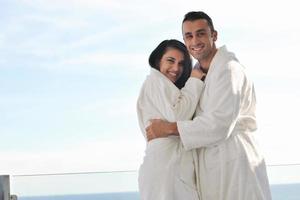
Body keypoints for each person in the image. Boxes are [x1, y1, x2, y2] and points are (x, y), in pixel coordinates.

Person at [146, 11, 272, 200]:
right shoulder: (200, 74)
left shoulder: (229, 69)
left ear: (214, 35)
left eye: (201, 33)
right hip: (213, 166)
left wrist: (168, 129)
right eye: (189, 36)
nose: (195, 41)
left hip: (235, 163)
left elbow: (219, 125)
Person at [137, 39, 206, 200]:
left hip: (167, 168)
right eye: (170, 60)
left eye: (181, 64)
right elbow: (178, 116)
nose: (176, 68)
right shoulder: (155, 81)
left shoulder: (165, 87)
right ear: (157, 61)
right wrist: (195, 80)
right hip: (165, 169)